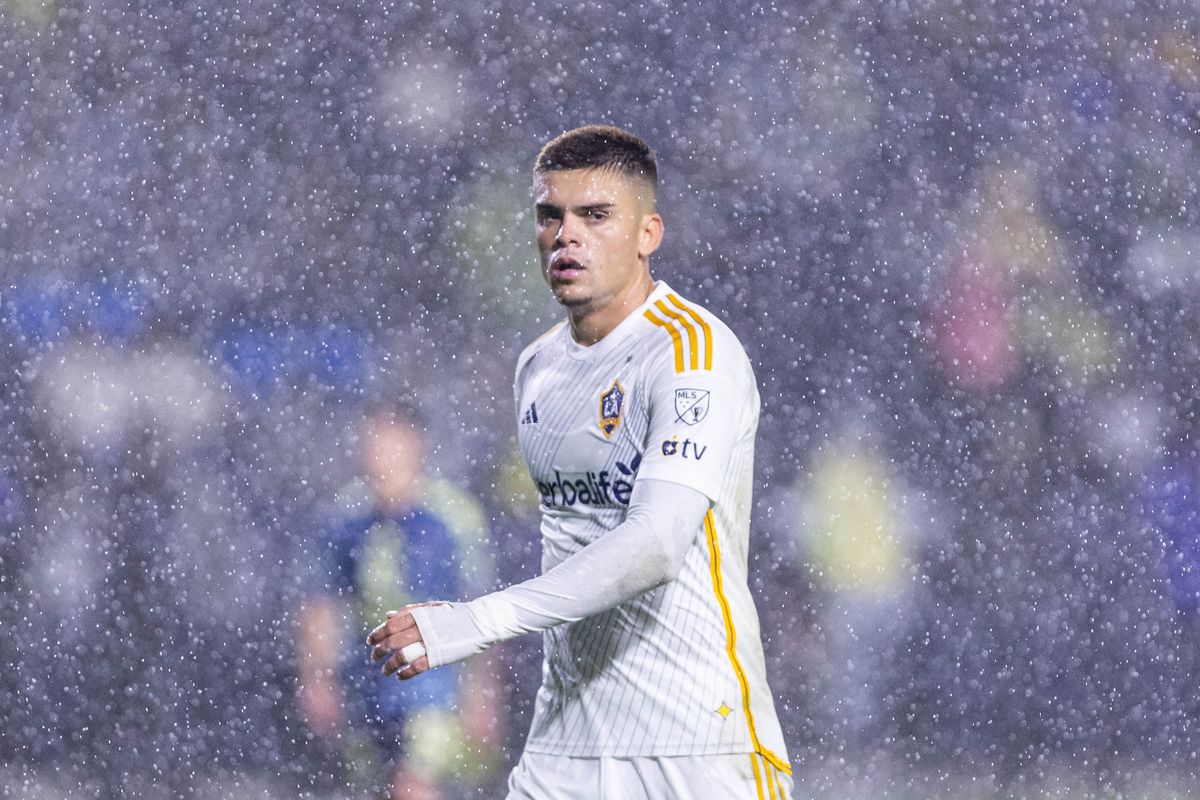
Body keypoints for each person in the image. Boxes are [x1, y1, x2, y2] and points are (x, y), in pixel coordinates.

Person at [367, 125, 793, 798]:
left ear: (648, 233)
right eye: (551, 216)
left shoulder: (693, 356)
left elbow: (655, 545)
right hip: (566, 745)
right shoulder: (537, 369)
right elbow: (574, 542)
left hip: (694, 744)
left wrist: (475, 622)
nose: (567, 235)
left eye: (595, 216)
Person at [299, 406, 501, 800]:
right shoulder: (346, 517)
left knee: (414, 785)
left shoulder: (452, 517)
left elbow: (482, 608)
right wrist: (317, 678)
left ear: (417, 448)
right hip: (366, 681)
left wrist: (484, 692)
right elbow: (322, 603)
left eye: (392, 444)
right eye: (374, 444)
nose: (381, 456)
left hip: (434, 682)